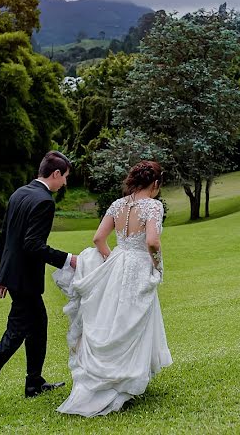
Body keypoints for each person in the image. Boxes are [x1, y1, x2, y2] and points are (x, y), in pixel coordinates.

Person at [0, 151, 78, 418]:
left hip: (14, 275)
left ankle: (34, 382)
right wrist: (69, 260)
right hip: (25, 279)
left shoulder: (19, 192)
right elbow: (32, 245)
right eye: (65, 177)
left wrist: (1, 273)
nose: (65, 183)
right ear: (55, 174)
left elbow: (4, 235)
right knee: (12, 338)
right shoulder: (45, 201)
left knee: (39, 323)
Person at [53, 160, 172, 416]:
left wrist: (111, 259)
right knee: (132, 320)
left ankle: (109, 379)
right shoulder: (153, 206)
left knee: (113, 319)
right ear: (155, 183)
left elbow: (98, 239)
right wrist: (158, 266)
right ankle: (124, 381)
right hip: (139, 265)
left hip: (117, 263)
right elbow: (152, 242)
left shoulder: (118, 204)